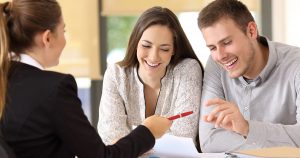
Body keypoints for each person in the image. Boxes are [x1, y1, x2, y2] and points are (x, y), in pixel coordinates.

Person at [0, 0, 172, 158]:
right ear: (47, 38)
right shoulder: (54, 88)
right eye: (63, 31)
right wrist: (148, 130)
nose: (65, 39)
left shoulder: (6, 79)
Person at [197, 0, 300, 153]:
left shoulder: (296, 64)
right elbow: (209, 140)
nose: (220, 55)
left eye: (227, 42)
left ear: (251, 31)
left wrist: (247, 129)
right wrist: (277, 146)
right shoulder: (216, 64)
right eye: (212, 47)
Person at [98, 6, 203, 146]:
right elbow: (113, 141)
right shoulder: (116, 75)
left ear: (174, 50)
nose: (153, 57)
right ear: (135, 44)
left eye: (164, 49)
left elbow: (184, 137)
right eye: (146, 46)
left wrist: (135, 142)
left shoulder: (187, 70)